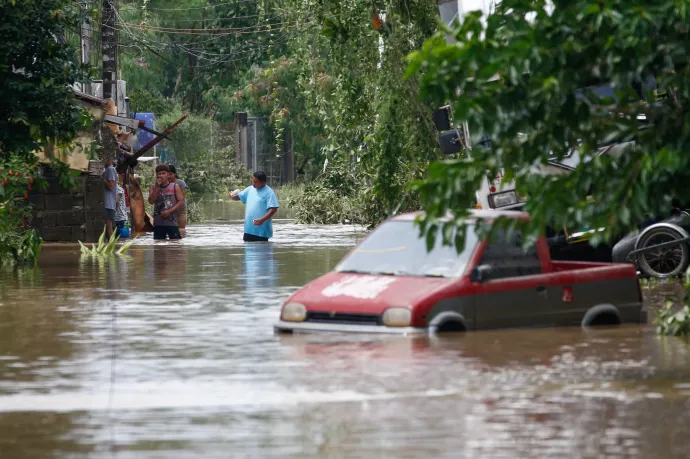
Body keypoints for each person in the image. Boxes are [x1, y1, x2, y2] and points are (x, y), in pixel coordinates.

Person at [229, 171, 280, 242]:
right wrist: (232, 197)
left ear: (262, 182)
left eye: (255, 182)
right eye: (252, 181)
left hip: (261, 231)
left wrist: (262, 219)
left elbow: (273, 209)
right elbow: (239, 197)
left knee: (261, 251)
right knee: (248, 251)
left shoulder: (269, 192)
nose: (253, 183)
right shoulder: (250, 189)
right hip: (248, 229)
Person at [148, 164, 184, 240]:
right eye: (159, 174)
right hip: (158, 223)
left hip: (172, 222)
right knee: (158, 247)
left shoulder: (175, 186)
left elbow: (181, 202)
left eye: (163, 173)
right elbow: (151, 201)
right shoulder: (153, 188)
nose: (161, 176)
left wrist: (169, 211)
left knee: (175, 244)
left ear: (168, 175)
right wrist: (157, 188)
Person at [168, 165, 187, 229]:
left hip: (181, 210)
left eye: (170, 174)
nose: (169, 176)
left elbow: (182, 198)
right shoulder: (165, 183)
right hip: (169, 210)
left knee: (181, 230)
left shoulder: (181, 183)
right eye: (167, 174)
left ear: (175, 174)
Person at [103, 158, 118, 238]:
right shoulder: (107, 170)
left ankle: (112, 247)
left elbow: (111, 186)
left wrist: (102, 179)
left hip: (108, 204)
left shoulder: (110, 169)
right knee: (107, 228)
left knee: (109, 227)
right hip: (108, 203)